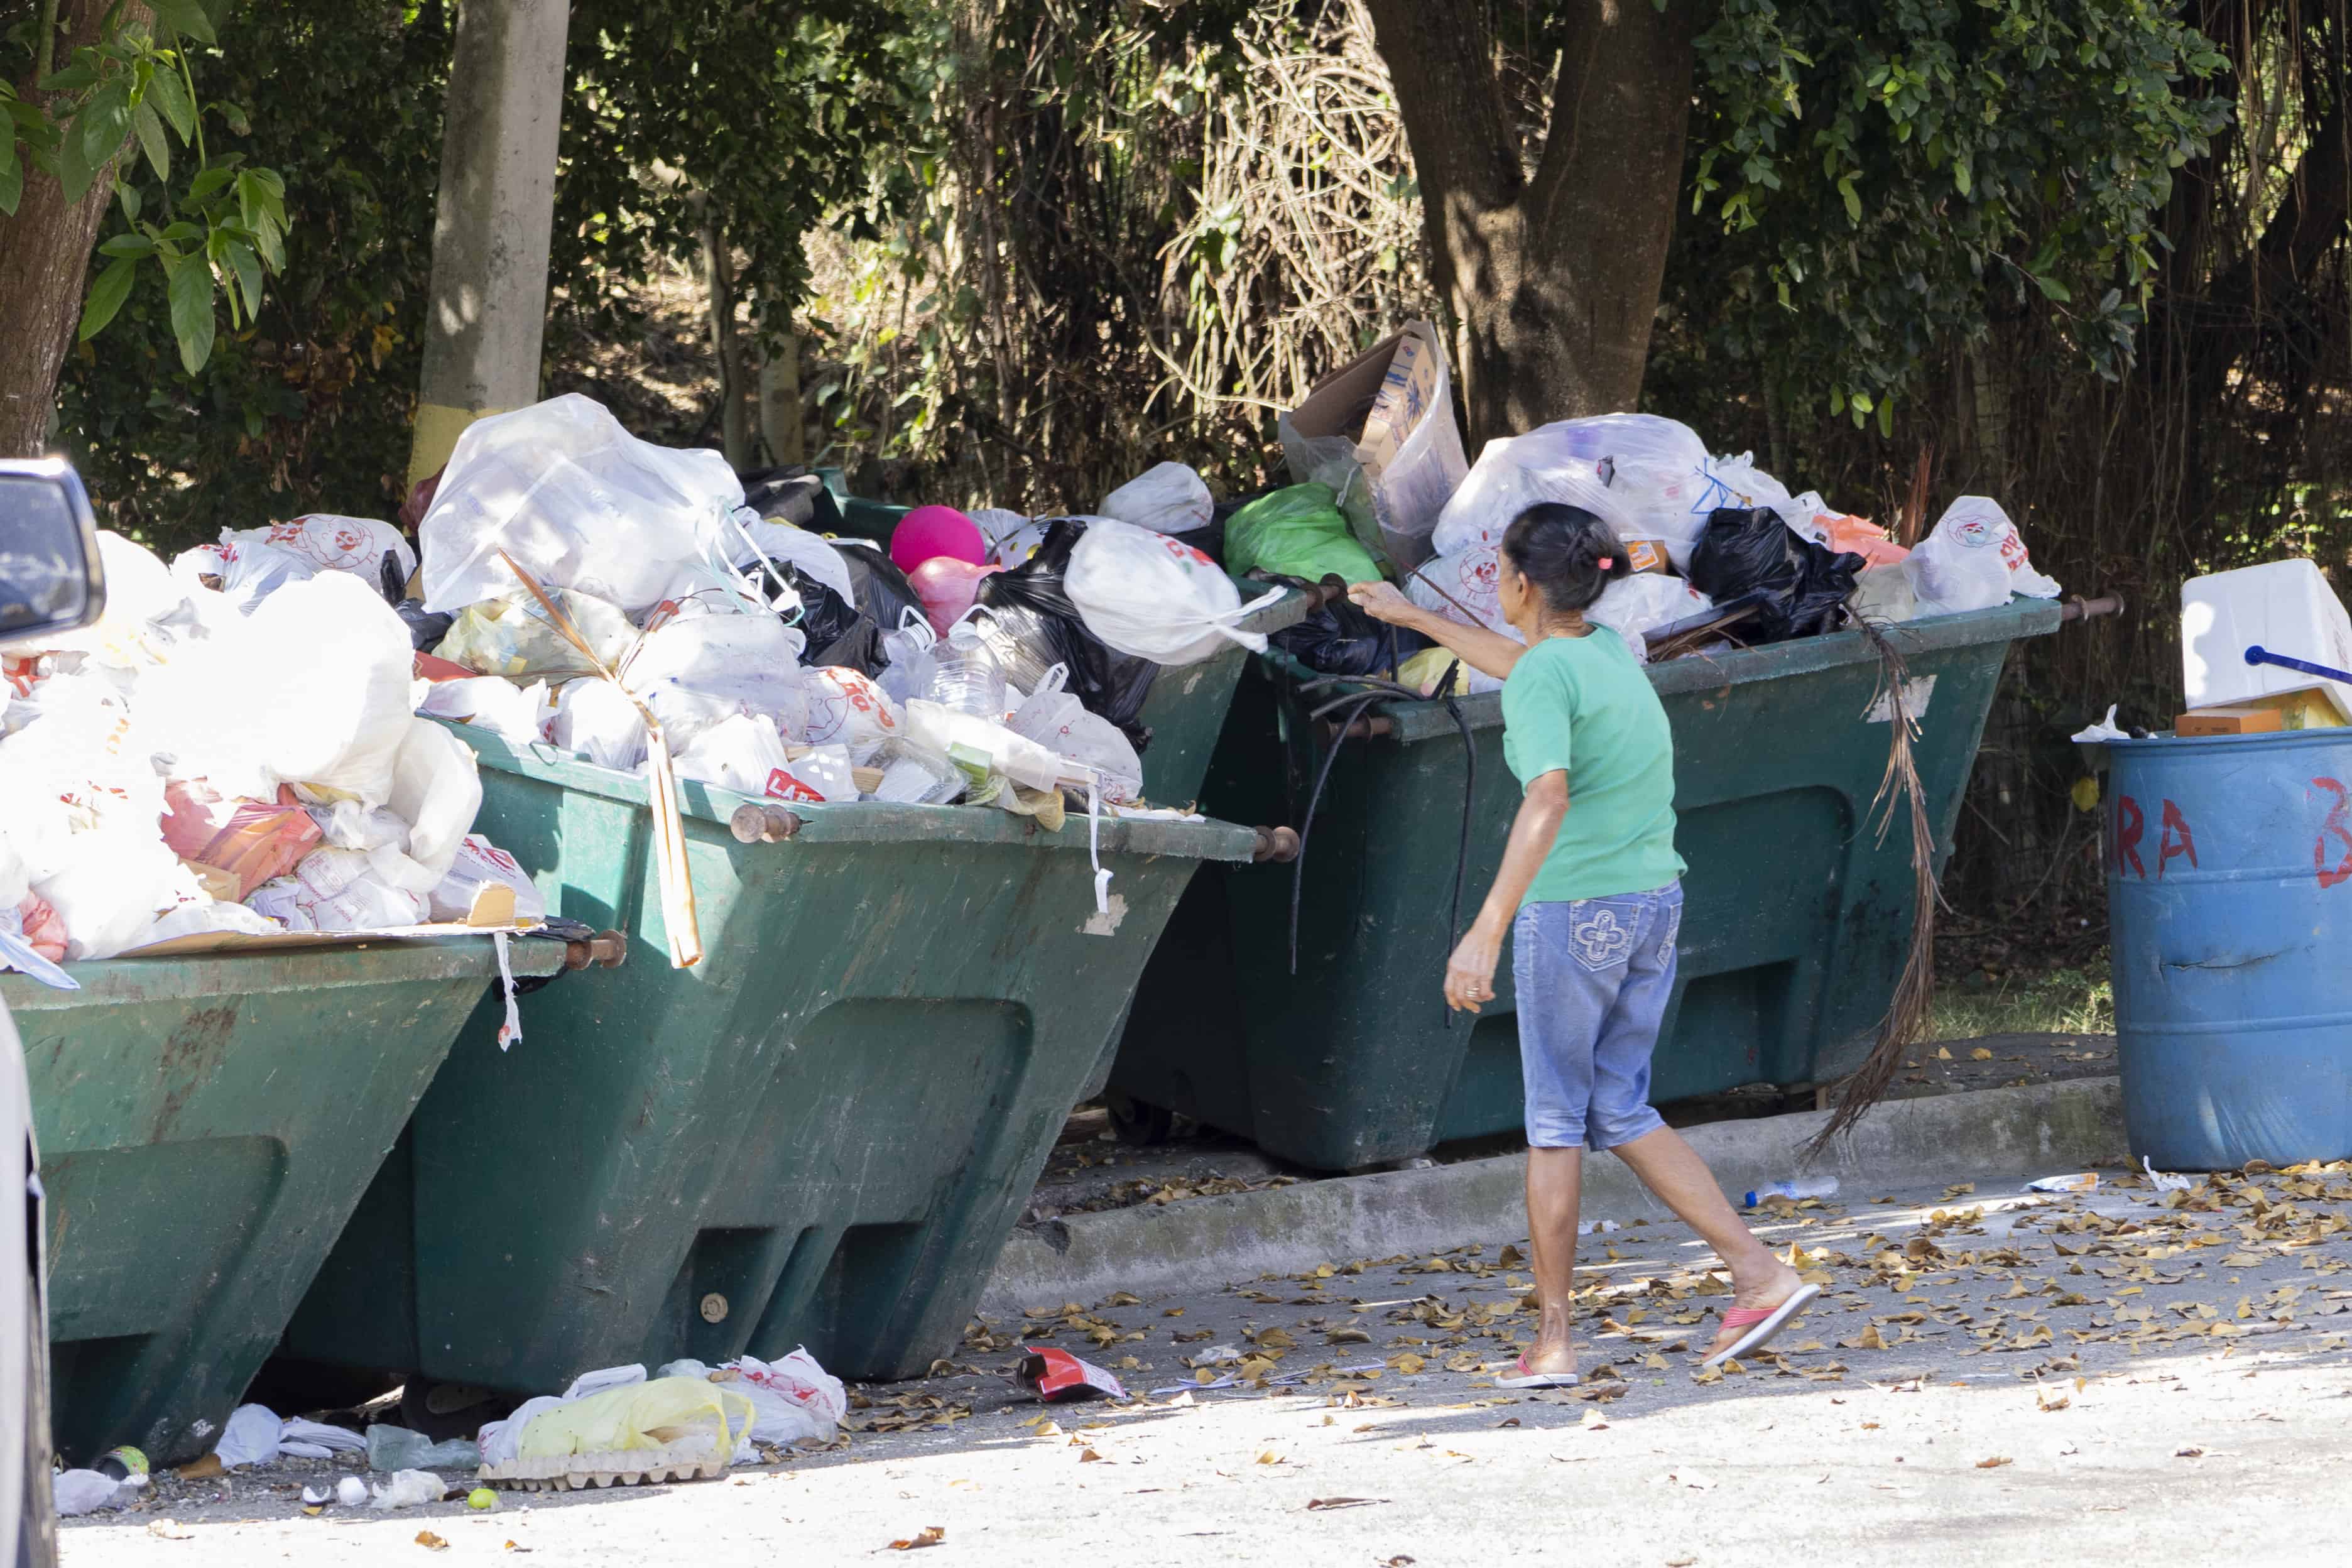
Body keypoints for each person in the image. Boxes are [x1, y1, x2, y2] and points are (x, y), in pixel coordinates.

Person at [1350, 503, 1816, 1385]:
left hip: (1577, 912)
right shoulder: (1603, 651)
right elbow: (1526, 666)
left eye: (1498, 572)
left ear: (1520, 583)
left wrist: (1482, 933)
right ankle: (1758, 1273)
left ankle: (1556, 1343)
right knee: (1618, 1106)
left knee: (1556, 1122)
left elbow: (1548, 796)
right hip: (1652, 903)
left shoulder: (1546, 677)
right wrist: (1410, 618)